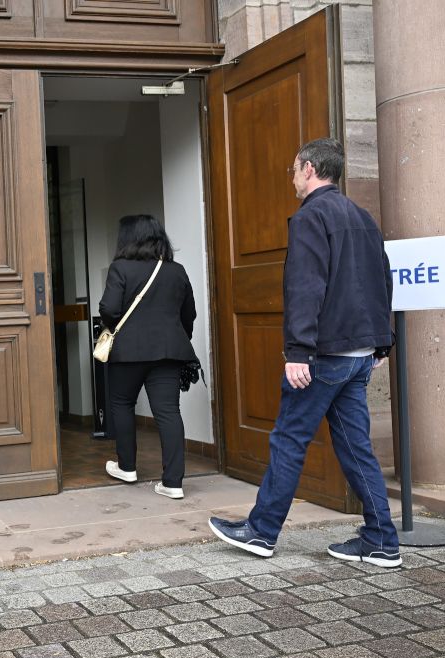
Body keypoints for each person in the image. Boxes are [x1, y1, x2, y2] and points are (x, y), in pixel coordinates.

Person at [209, 138, 400, 568]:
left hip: (324, 355)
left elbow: (305, 287)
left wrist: (298, 351)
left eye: (294, 169)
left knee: (290, 439)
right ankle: (382, 540)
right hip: (359, 355)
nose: (292, 178)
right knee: (356, 448)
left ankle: (261, 531)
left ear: (310, 169)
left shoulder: (311, 217)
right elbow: (382, 281)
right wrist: (381, 342)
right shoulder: (363, 217)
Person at [99, 214, 197, 499]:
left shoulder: (120, 268)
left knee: (122, 404)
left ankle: (127, 467)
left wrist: (115, 326)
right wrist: (176, 338)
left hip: (128, 351)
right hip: (168, 351)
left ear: (127, 239)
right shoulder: (176, 271)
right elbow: (189, 313)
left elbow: (109, 309)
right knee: (168, 412)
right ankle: (173, 483)